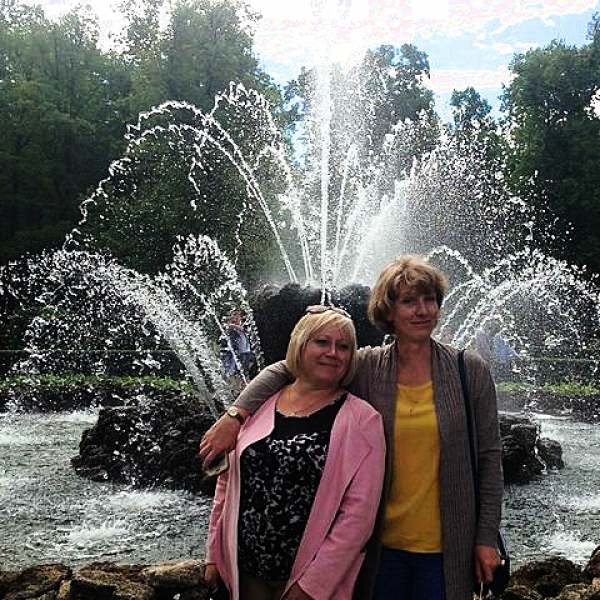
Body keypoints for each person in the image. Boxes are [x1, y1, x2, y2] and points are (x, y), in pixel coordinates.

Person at [200, 255, 504, 600]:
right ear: (389, 311)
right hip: (381, 548)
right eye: (409, 301)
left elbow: (489, 458)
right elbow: (288, 368)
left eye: (429, 299)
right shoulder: (368, 366)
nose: (422, 310)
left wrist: (485, 538)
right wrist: (236, 415)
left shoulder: (468, 370)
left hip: (447, 548)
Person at [204, 306, 386, 600]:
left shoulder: (363, 420)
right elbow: (227, 482)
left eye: (343, 347)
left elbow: (358, 516)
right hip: (245, 571)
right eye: (322, 342)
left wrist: (312, 586)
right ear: (300, 345)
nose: (333, 353)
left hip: (306, 582)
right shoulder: (258, 405)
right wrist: (214, 552)